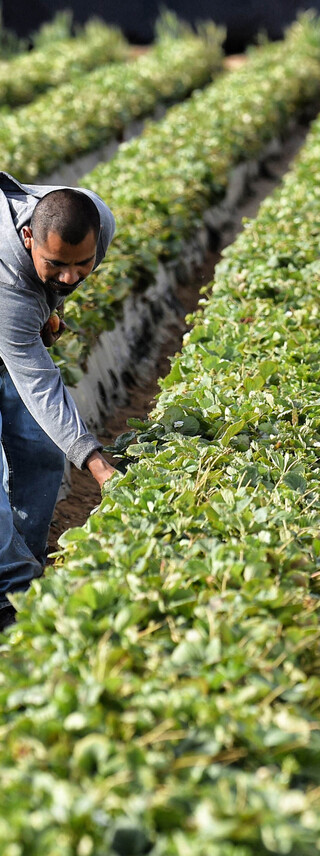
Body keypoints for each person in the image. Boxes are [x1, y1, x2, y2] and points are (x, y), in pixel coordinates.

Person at [0, 171, 118, 632]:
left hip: (13, 329)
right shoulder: (8, 285)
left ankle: (24, 566)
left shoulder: (98, 219)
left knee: (42, 450)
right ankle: (10, 594)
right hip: (7, 322)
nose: (72, 275)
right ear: (28, 239)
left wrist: (52, 303)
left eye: (82, 263)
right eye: (55, 265)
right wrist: (96, 462)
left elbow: (59, 278)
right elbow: (40, 386)